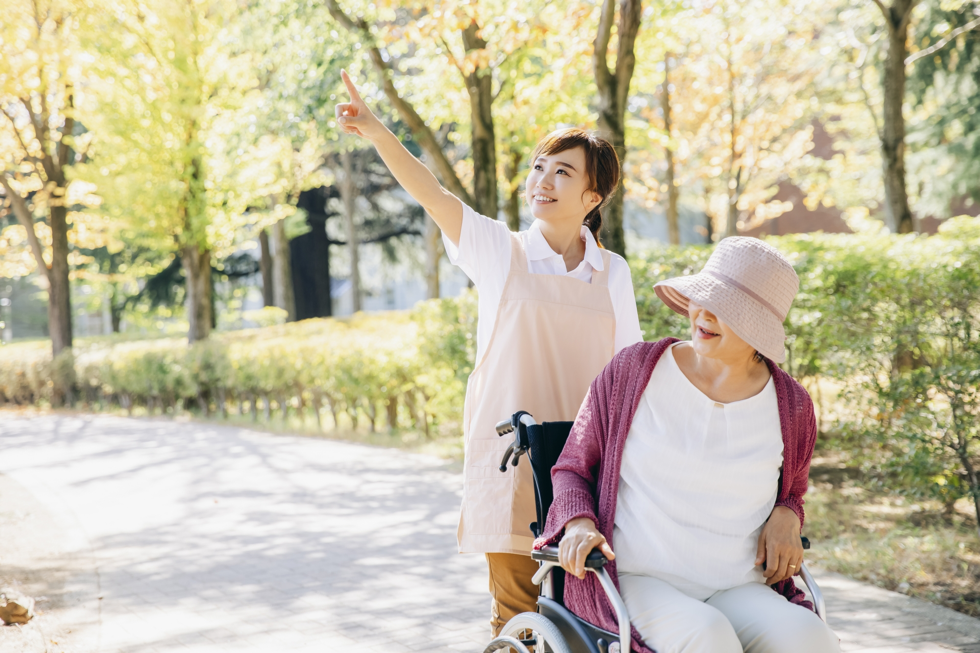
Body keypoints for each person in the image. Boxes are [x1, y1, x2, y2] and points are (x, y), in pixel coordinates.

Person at [335, 70, 643, 636]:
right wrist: (379, 133)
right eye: (539, 168)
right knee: (518, 620)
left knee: (593, 623)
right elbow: (434, 195)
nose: (543, 181)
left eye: (563, 172)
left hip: (588, 468)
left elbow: (629, 376)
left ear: (593, 197)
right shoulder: (500, 252)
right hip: (516, 459)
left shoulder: (612, 272)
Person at [536, 237, 840, 653]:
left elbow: (792, 491)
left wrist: (789, 512)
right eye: (702, 297)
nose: (704, 313)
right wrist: (578, 523)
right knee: (706, 636)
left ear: (759, 330)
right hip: (637, 580)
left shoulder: (792, 406)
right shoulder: (634, 371)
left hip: (737, 585)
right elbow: (572, 466)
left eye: (727, 308)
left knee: (810, 638)